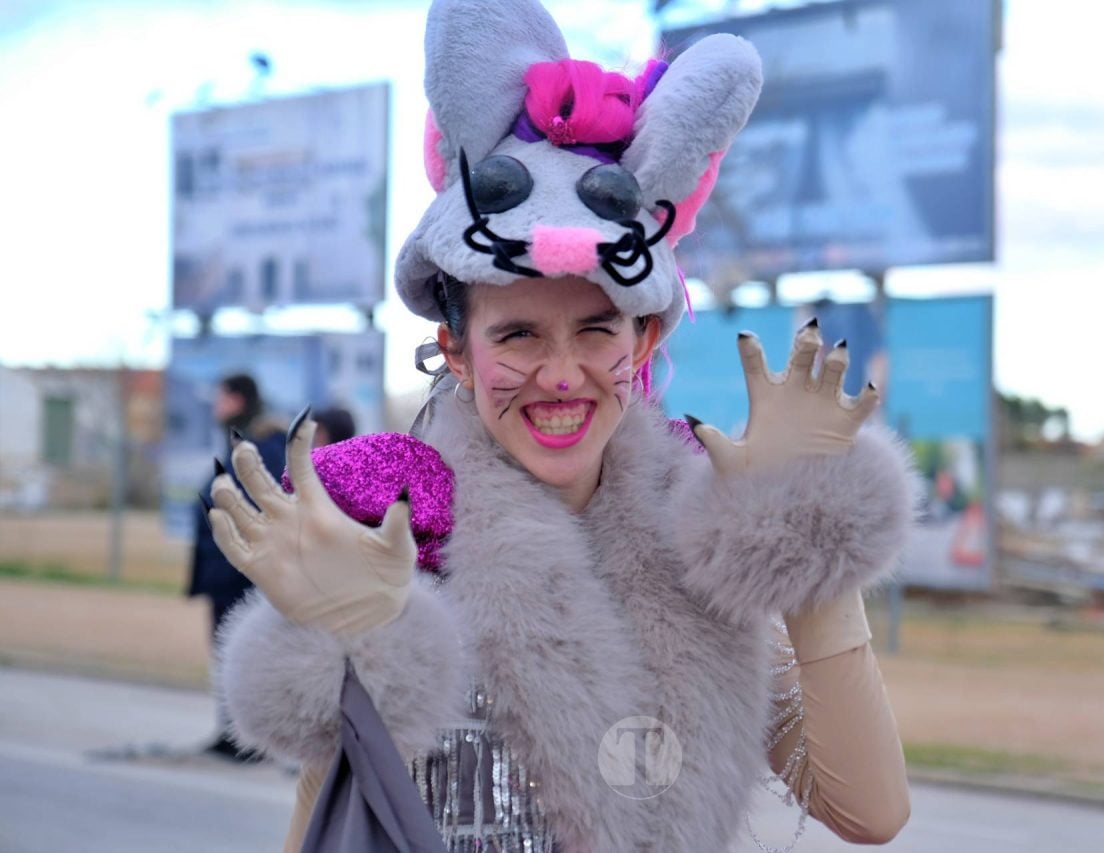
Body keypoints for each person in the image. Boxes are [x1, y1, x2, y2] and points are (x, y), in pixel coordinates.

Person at [206, 1, 915, 849]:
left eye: (594, 330)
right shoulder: (398, 534)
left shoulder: (704, 548)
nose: (559, 374)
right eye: (516, 334)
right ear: (455, 349)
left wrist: (804, 533)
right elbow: (327, 826)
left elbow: (871, 811)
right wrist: (357, 652)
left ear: (645, 336)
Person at [187, 373, 286, 761]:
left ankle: (249, 741)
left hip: (242, 572)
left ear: (239, 399)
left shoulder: (258, 444)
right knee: (229, 654)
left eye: (221, 397)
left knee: (246, 656)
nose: (215, 405)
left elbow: (262, 504)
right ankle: (232, 734)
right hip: (226, 570)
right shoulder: (241, 439)